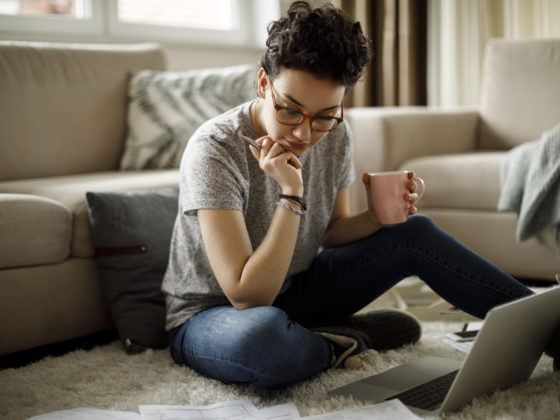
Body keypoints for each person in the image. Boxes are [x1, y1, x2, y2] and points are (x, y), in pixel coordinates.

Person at [162, 1, 557, 389]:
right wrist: (292, 195)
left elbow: (331, 230)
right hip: (213, 314)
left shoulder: (337, 135)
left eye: (325, 116)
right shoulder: (215, 148)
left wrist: (374, 219)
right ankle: (344, 338)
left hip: (295, 290)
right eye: (290, 111)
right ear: (264, 83)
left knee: (414, 232)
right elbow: (248, 296)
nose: (304, 133)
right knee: (263, 343)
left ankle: (555, 332)